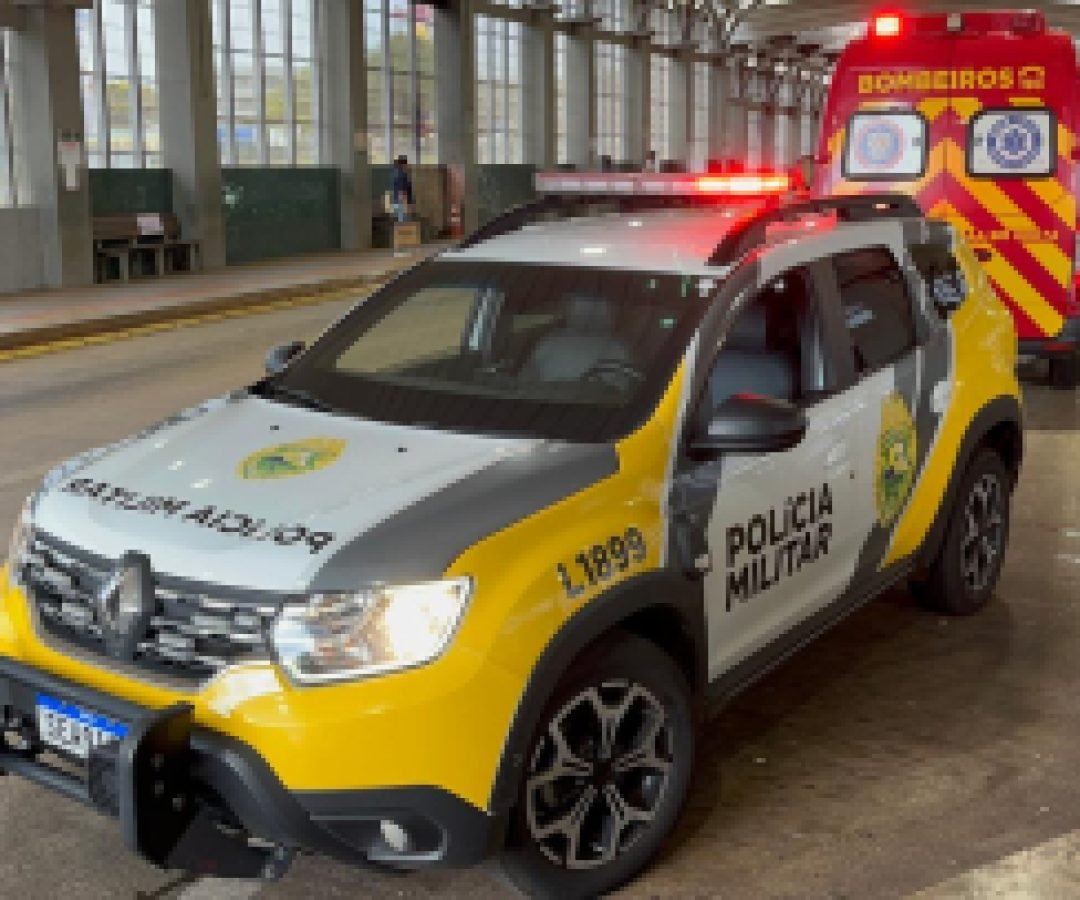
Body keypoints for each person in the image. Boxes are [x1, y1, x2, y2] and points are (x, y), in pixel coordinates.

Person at [391, 155, 414, 223]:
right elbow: (402, 188)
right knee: (404, 219)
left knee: (402, 218)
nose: (407, 166)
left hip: (398, 199)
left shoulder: (396, 173)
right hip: (401, 199)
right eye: (406, 164)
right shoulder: (401, 174)